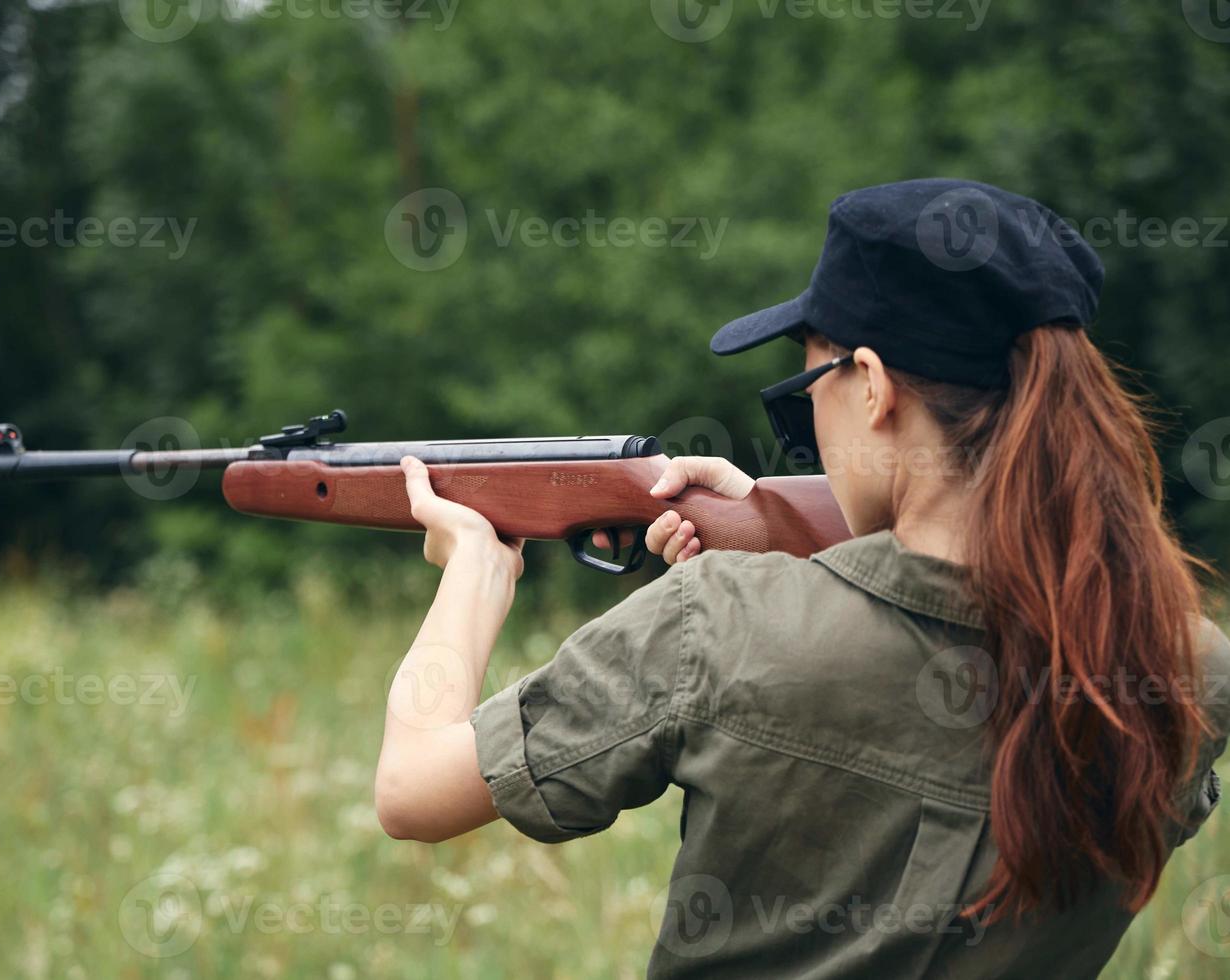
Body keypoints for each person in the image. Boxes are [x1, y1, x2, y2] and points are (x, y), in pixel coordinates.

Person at [372, 178, 1230, 977]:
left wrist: (476, 570)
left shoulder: (710, 627)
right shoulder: (1181, 671)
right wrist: (777, 541)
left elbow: (411, 792)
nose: (805, 418)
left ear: (872, 388)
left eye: (805, 386)